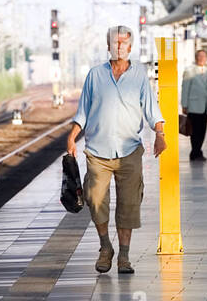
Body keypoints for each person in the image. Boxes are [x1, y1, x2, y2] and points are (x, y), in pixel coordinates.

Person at [67, 25, 166, 275]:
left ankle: (124, 256)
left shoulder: (139, 76)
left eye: (123, 43)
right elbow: (83, 111)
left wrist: (160, 135)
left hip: (129, 150)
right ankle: (105, 247)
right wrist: (72, 137)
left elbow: (152, 109)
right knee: (95, 200)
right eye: (115, 42)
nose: (119, 46)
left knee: (129, 204)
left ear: (130, 47)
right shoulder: (95, 75)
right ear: (108, 45)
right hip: (97, 151)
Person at [180, 48, 207, 161]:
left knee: (202, 131)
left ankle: (198, 151)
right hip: (193, 106)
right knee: (194, 131)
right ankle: (195, 152)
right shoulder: (189, 70)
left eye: (203, 56)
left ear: (206, 58)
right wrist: (184, 105)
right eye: (199, 56)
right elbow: (185, 88)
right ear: (196, 58)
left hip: (205, 107)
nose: (201, 58)